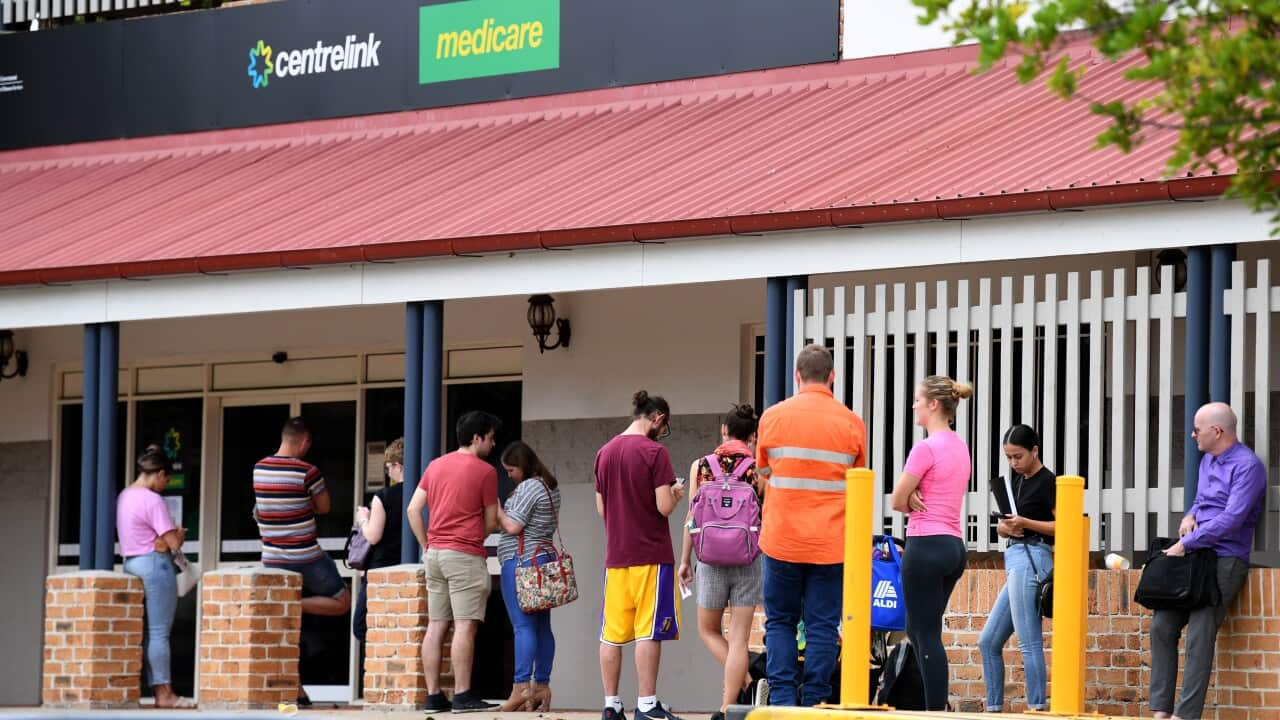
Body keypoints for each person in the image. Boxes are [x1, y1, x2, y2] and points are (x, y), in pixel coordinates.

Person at [755, 344, 866, 707]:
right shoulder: (851, 423)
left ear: (796, 376)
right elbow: (857, 481)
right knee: (822, 626)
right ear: (832, 376)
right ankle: (817, 701)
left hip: (782, 540)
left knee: (781, 622)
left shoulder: (772, 417)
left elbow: (764, 473)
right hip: (830, 543)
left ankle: (784, 701)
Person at [1150, 402, 1265, 720]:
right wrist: (1190, 514)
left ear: (1217, 431)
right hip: (1196, 556)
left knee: (1200, 635)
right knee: (1162, 625)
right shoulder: (1207, 461)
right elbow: (1203, 500)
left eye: (1197, 429)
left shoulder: (1248, 466)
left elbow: (1232, 519)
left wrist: (1185, 543)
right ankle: (1160, 711)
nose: (1192, 434)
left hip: (1226, 560)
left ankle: (1184, 716)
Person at [595, 390, 686, 720]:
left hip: (616, 558)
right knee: (648, 632)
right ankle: (646, 705)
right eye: (665, 427)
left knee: (612, 634)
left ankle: (611, 704)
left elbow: (601, 508)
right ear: (658, 418)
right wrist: (675, 494)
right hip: (651, 555)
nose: (663, 434)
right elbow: (663, 507)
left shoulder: (604, 453)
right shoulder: (654, 453)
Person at [407, 411, 502, 714]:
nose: (493, 442)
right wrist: (472, 534)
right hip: (465, 555)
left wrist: (426, 545)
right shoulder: (485, 472)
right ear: (476, 438)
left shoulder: (435, 466)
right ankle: (462, 695)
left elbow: (413, 510)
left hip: (434, 555)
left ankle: (433, 696)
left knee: (436, 626)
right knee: (464, 627)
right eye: (490, 437)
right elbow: (490, 521)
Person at [253, 417, 351, 705]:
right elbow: (324, 507)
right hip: (307, 557)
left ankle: (294, 688)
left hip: (272, 558)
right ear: (305, 441)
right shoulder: (307, 471)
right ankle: (296, 604)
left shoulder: (259, 468)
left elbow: (262, 508)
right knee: (342, 601)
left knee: (285, 626)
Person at [891, 375, 973, 711]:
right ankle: (929, 705)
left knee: (925, 634)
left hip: (925, 544)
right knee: (919, 627)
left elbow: (896, 500)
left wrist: (910, 496)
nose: (914, 406)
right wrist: (914, 495)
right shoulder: (960, 446)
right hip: (953, 546)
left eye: (917, 400)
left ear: (934, 405)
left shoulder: (925, 448)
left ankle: (936, 713)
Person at [678, 404, 764, 720]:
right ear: (753, 437)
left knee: (709, 631)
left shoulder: (701, 466)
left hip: (710, 558)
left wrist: (684, 559)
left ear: (723, 431)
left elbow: (692, 517)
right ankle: (729, 707)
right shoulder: (759, 469)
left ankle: (749, 683)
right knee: (740, 637)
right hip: (749, 559)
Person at [978, 425, 1056, 712]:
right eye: (1009, 457)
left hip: (1033, 557)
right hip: (1014, 557)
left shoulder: (1049, 481)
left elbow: (1063, 526)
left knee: (1029, 641)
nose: (1014, 463)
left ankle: (1037, 707)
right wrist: (1006, 526)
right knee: (987, 642)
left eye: (1018, 456)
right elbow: (1008, 526)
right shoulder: (1017, 481)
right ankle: (994, 708)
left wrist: (1025, 523)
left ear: (1035, 450)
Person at [118, 447, 192, 708]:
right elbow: (172, 543)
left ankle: (150, 690)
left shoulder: (124, 496)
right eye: (166, 479)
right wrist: (179, 534)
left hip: (131, 564)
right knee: (159, 633)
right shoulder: (152, 500)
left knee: (143, 632)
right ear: (159, 474)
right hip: (155, 565)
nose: (166, 484)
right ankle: (164, 694)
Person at [495, 441, 562, 713]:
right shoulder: (550, 486)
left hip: (521, 563)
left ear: (522, 466)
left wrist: (496, 508)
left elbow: (513, 525)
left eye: (511, 470)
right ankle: (541, 686)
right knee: (541, 626)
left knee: (522, 627)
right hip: (543, 560)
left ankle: (521, 686)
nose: (508, 475)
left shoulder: (529, 487)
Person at [352, 437, 406, 642]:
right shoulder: (423, 494)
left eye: (388, 468)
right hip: (407, 566)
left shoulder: (384, 496)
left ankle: (378, 668)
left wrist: (363, 519)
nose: (388, 473)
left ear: (397, 466)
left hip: (381, 570)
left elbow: (373, 536)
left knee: (362, 627)